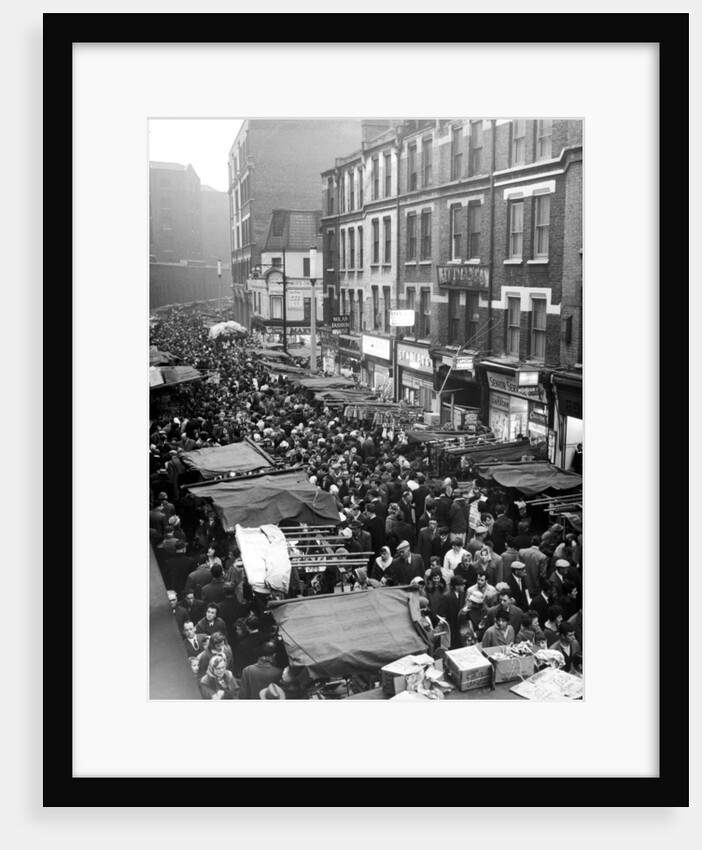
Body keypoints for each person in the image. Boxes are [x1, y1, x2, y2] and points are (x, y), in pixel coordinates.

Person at [437, 575, 467, 649]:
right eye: (462, 585)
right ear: (456, 586)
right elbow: (440, 613)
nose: (464, 586)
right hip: (450, 630)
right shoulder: (446, 596)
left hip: (459, 628)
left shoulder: (462, 594)